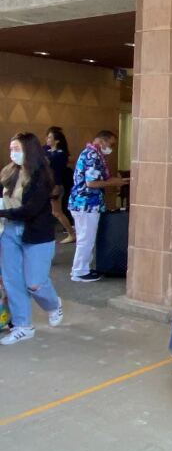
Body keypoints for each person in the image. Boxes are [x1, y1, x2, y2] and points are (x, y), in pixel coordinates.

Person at [0, 133, 64, 345]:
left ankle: (54, 305)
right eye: (11, 149)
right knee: (12, 281)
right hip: (10, 232)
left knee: (34, 283)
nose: (13, 153)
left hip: (36, 235)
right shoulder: (9, 172)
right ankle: (22, 326)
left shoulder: (41, 176)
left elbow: (31, 210)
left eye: (16, 148)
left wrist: (3, 214)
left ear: (29, 150)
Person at [69, 130, 128, 282]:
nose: (111, 148)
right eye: (111, 144)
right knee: (85, 239)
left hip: (85, 203)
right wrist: (112, 183)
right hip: (86, 204)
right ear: (102, 141)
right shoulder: (92, 156)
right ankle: (80, 271)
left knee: (86, 238)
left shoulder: (91, 154)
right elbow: (91, 183)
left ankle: (83, 268)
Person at [44, 126, 75, 243]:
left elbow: (50, 163)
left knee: (56, 211)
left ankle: (71, 233)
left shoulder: (60, 154)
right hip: (46, 185)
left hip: (55, 185)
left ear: (56, 140)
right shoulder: (46, 150)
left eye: (50, 137)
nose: (47, 139)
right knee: (51, 211)